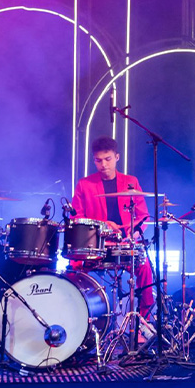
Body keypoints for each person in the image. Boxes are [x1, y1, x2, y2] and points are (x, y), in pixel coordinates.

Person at [70, 136, 156, 321]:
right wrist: (103, 226)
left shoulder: (130, 181)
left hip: (124, 244)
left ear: (117, 157)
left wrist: (131, 234)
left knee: (144, 268)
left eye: (107, 159)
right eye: (98, 160)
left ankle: (144, 321)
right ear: (94, 160)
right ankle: (75, 318)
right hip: (96, 245)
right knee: (72, 269)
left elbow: (143, 217)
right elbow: (76, 217)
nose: (103, 164)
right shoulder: (84, 184)